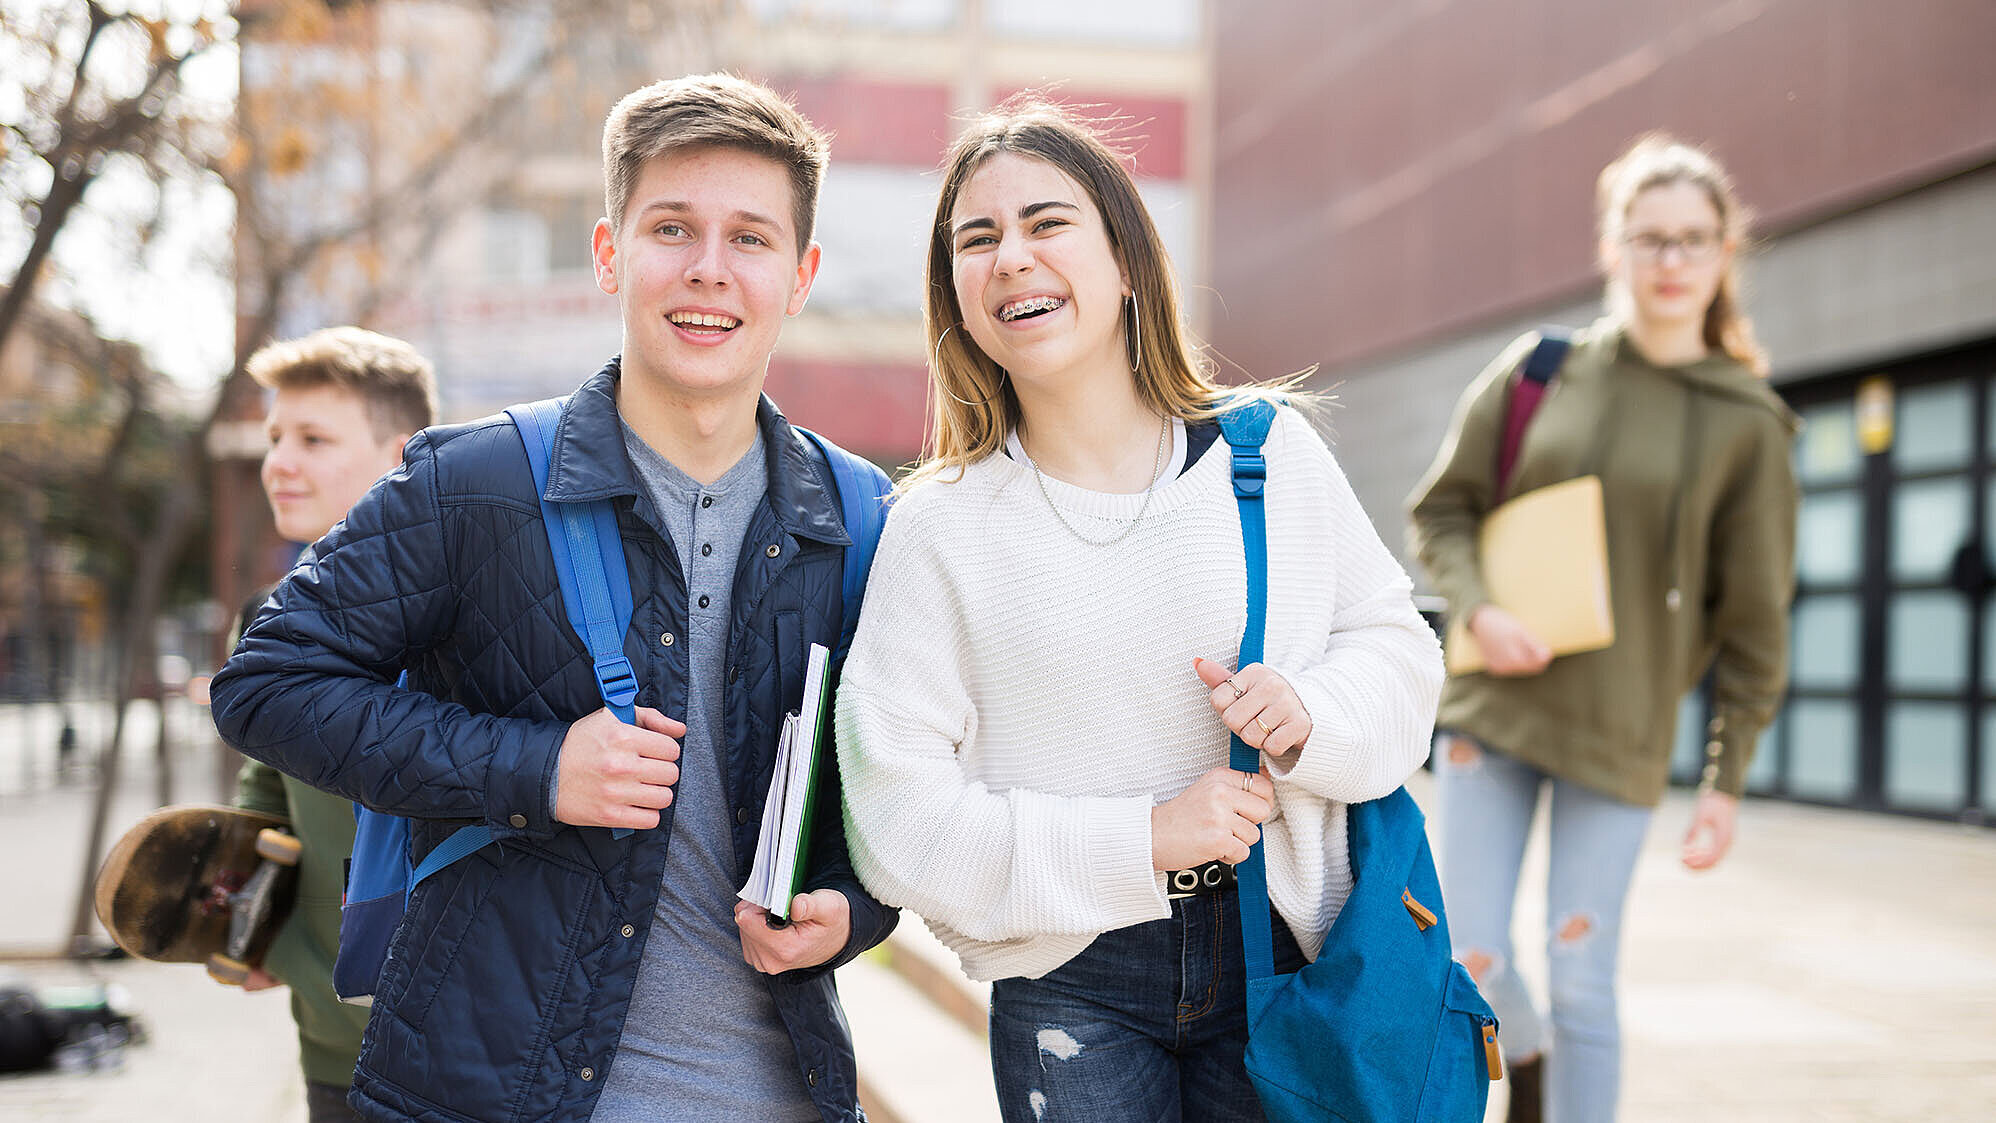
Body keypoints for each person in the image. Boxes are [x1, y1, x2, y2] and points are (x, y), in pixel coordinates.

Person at [209, 73, 897, 1123]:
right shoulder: (467, 483)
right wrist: (535, 766)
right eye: (672, 228)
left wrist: (853, 911)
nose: (708, 270)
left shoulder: (859, 517)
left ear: (798, 275)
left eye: (749, 239)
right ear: (609, 251)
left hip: (775, 1093)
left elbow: (898, 800)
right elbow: (265, 684)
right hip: (487, 1094)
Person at [832, 97, 1444, 1123]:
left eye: (1046, 222)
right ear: (958, 298)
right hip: (1071, 975)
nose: (1010, 257)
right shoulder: (938, 525)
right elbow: (893, 811)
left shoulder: (1269, 455)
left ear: (1124, 261)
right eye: (975, 240)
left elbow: (1399, 651)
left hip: (1285, 951)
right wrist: (1143, 838)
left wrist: (1311, 715)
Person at [1406, 134, 1800, 1123]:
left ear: (1723, 254)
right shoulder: (1540, 370)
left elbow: (1753, 619)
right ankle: (1521, 1053)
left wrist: (1726, 774)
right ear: (1612, 247)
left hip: (1619, 735)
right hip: (1492, 711)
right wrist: (1482, 609)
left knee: (1583, 976)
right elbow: (1441, 510)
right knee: (1468, 960)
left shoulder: (1746, 421)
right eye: (1649, 237)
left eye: (1693, 241)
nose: (1670, 261)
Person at [228, 326, 437, 1123]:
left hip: (469, 1049)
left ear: (404, 453)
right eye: (276, 435)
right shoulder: (263, 622)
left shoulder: (469, 617)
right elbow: (264, 785)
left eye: (314, 438)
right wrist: (246, 921)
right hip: (330, 1048)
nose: (280, 461)